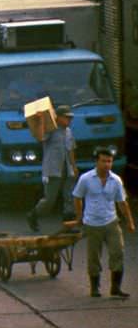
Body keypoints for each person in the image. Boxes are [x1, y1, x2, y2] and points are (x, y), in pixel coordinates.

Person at [72, 147, 135, 298]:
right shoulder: (86, 179)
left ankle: (116, 287)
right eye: (103, 161)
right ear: (96, 162)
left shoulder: (116, 180)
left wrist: (130, 222)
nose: (107, 164)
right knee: (94, 256)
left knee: (117, 252)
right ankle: (95, 287)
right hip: (92, 223)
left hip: (111, 222)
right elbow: (77, 197)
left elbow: (122, 203)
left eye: (109, 161)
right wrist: (80, 217)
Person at [27, 105, 77, 232]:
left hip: (66, 169)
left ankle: (68, 226)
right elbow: (40, 137)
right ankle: (33, 215)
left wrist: (74, 166)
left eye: (70, 118)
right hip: (53, 170)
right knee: (49, 200)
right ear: (58, 118)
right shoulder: (52, 130)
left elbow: (70, 149)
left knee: (69, 198)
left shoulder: (68, 132)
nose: (69, 120)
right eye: (66, 117)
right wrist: (42, 120)